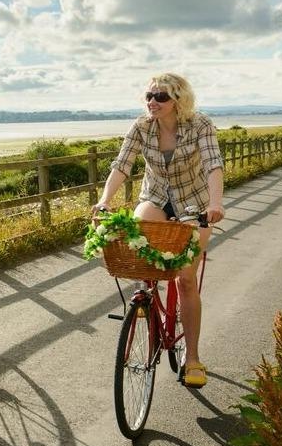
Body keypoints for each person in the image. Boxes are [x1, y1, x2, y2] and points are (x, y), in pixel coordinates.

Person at [91, 72, 225, 388]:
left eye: (160, 97)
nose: (152, 102)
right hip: (156, 197)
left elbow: (213, 165)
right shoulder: (141, 127)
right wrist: (105, 200)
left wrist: (215, 203)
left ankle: (193, 359)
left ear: (178, 100)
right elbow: (122, 165)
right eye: (149, 96)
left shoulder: (200, 125)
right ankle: (146, 295)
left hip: (194, 203)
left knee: (186, 279)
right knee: (139, 234)